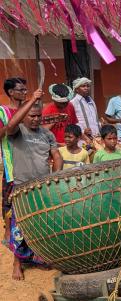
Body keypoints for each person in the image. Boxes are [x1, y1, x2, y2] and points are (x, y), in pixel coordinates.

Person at [5, 89, 63, 280]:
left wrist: (57, 175)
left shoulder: (47, 134)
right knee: (19, 226)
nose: (36, 119)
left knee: (42, 224)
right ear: (24, 116)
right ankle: (17, 262)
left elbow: (56, 155)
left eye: (39, 116)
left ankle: (39, 256)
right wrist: (31, 100)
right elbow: (11, 124)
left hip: (43, 187)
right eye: (32, 116)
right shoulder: (17, 132)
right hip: (22, 187)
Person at [0, 78, 27, 243]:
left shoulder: (29, 109)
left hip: (29, 162)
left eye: (25, 90)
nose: (25, 93)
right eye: (21, 90)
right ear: (11, 92)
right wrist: (12, 124)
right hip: (12, 163)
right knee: (10, 201)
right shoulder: (2, 111)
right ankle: (9, 232)